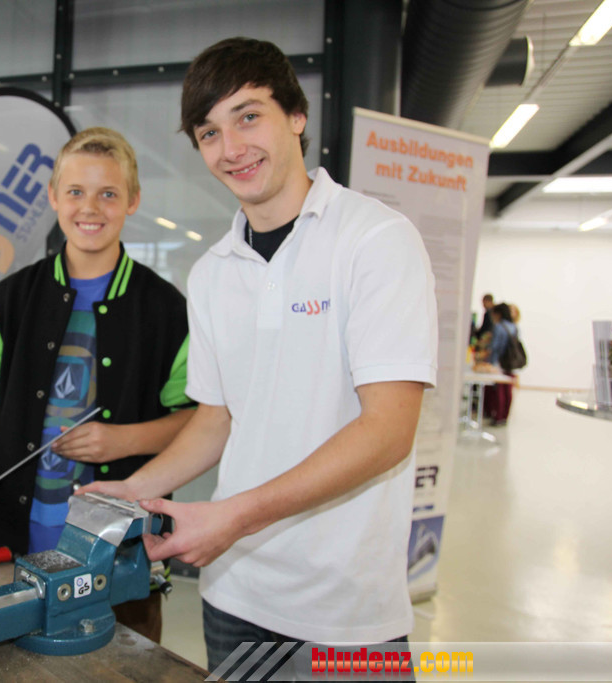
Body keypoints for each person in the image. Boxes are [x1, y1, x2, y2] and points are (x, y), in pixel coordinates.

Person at [81, 37, 438, 673]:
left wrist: (233, 519)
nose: (231, 148)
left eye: (248, 116)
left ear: (296, 116)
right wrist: (133, 490)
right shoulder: (212, 272)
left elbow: (388, 431)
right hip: (234, 595)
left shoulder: (376, 239)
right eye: (209, 132)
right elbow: (217, 419)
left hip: (344, 611)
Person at [0, 127, 195, 642]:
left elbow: (196, 420)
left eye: (108, 193)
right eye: (75, 191)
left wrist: (123, 441)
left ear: (133, 201)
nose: (89, 207)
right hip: (16, 549)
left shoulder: (167, 310)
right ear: (53, 197)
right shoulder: (8, 298)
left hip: (120, 563)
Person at [480, 302, 517, 425]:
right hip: (511, 362)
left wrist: (489, 360)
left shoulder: (499, 327)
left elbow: (494, 346)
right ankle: (504, 416)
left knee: (499, 390)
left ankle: (498, 416)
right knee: (508, 391)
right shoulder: (514, 326)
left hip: (499, 362)